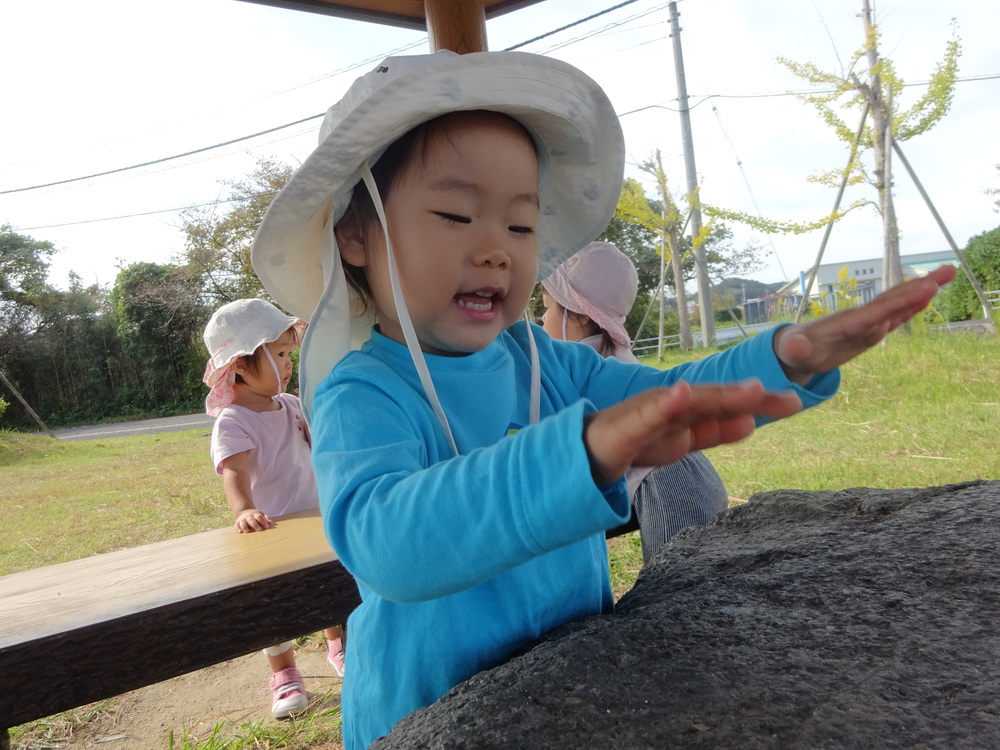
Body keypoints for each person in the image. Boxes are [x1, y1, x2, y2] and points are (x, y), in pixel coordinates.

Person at [249, 50, 955, 749]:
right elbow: (386, 545)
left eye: (521, 225)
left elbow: (673, 398)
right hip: (426, 711)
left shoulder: (546, 363)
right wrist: (574, 454)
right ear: (355, 234)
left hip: (572, 692)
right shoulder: (361, 390)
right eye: (456, 215)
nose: (497, 248)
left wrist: (783, 360)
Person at [540, 241, 729, 563]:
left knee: (675, 592)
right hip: (683, 479)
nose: (541, 320)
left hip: (671, 487)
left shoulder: (582, 371)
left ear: (579, 316)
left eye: (546, 308)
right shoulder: (610, 357)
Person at [202, 298, 346, 720]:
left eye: (288, 353)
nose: (288, 363)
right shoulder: (234, 421)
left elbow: (317, 448)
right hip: (272, 529)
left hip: (315, 516)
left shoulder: (293, 406)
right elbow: (234, 472)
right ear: (241, 365)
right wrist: (244, 510)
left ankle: (338, 645)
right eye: (280, 354)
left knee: (329, 584)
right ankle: (284, 673)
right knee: (275, 605)